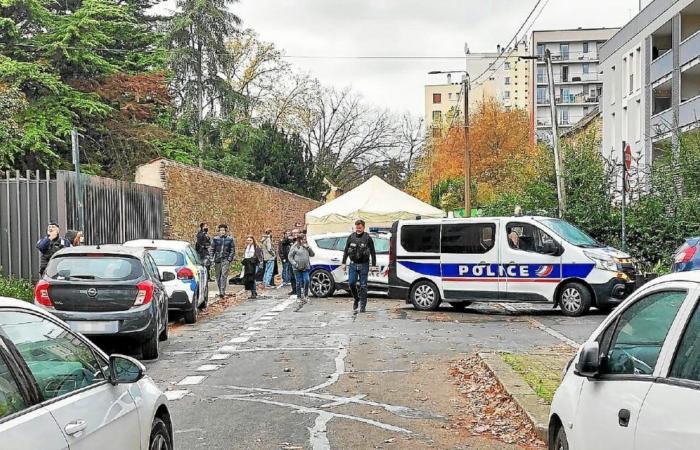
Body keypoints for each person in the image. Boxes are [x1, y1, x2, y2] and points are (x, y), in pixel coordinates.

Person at [341, 219, 376, 314]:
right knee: (351, 283)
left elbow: (373, 252)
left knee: (363, 286)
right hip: (353, 264)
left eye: (360, 228)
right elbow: (345, 250)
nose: (358, 229)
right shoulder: (351, 237)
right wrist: (343, 262)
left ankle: (363, 306)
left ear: (363, 227)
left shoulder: (368, 238)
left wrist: (373, 265)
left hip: (364, 264)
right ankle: (356, 299)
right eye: (357, 228)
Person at [209, 224, 235, 298]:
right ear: (219, 231)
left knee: (224, 275)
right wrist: (211, 258)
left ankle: (222, 291)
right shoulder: (215, 239)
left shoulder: (230, 239)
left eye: (223, 230)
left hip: (225, 259)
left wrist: (229, 259)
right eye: (221, 230)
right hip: (217, 260)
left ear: (226, 231)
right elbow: (212, 250)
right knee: (218, 276)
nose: (222, 232)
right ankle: (220, 289)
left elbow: (232, 250)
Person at [288, 233, 315, 302]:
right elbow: (290, 257)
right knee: (298, 282)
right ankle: (299, 297)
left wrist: (308, 248)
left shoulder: (306, 246)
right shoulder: (294, 246)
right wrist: (295, 264)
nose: (304, 240)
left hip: (306, 267)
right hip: (297, 268)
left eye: (305, 239)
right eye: (303, 239)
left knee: (307, 280)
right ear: (299, 239)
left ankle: (306, 295)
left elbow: (312, 255)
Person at [287, 228, 300, 295]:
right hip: (290, 261)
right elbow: (283, 243)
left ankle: (298, 290)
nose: (295, 234)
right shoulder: (291, 241)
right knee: (291, 276)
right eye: (293, 233)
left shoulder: (300, 241)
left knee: (297, 276)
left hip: (297, 261)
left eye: (296, 233)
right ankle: (294, 290)